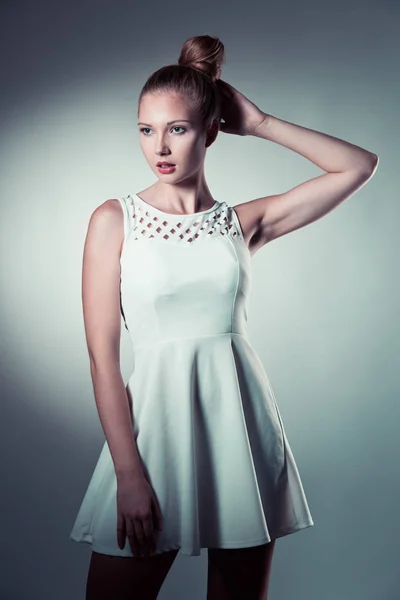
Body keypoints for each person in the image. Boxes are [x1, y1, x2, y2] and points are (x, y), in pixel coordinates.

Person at [69, 34, 378, 600]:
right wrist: (129, 474)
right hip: (149, 438)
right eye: (146, 129)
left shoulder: (241, 222)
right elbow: (102, 360)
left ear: (212, 131)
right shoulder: (114, 220)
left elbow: (358, 166)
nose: (159, 146)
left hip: (241, 431)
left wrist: (259, 123)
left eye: (177, 128)